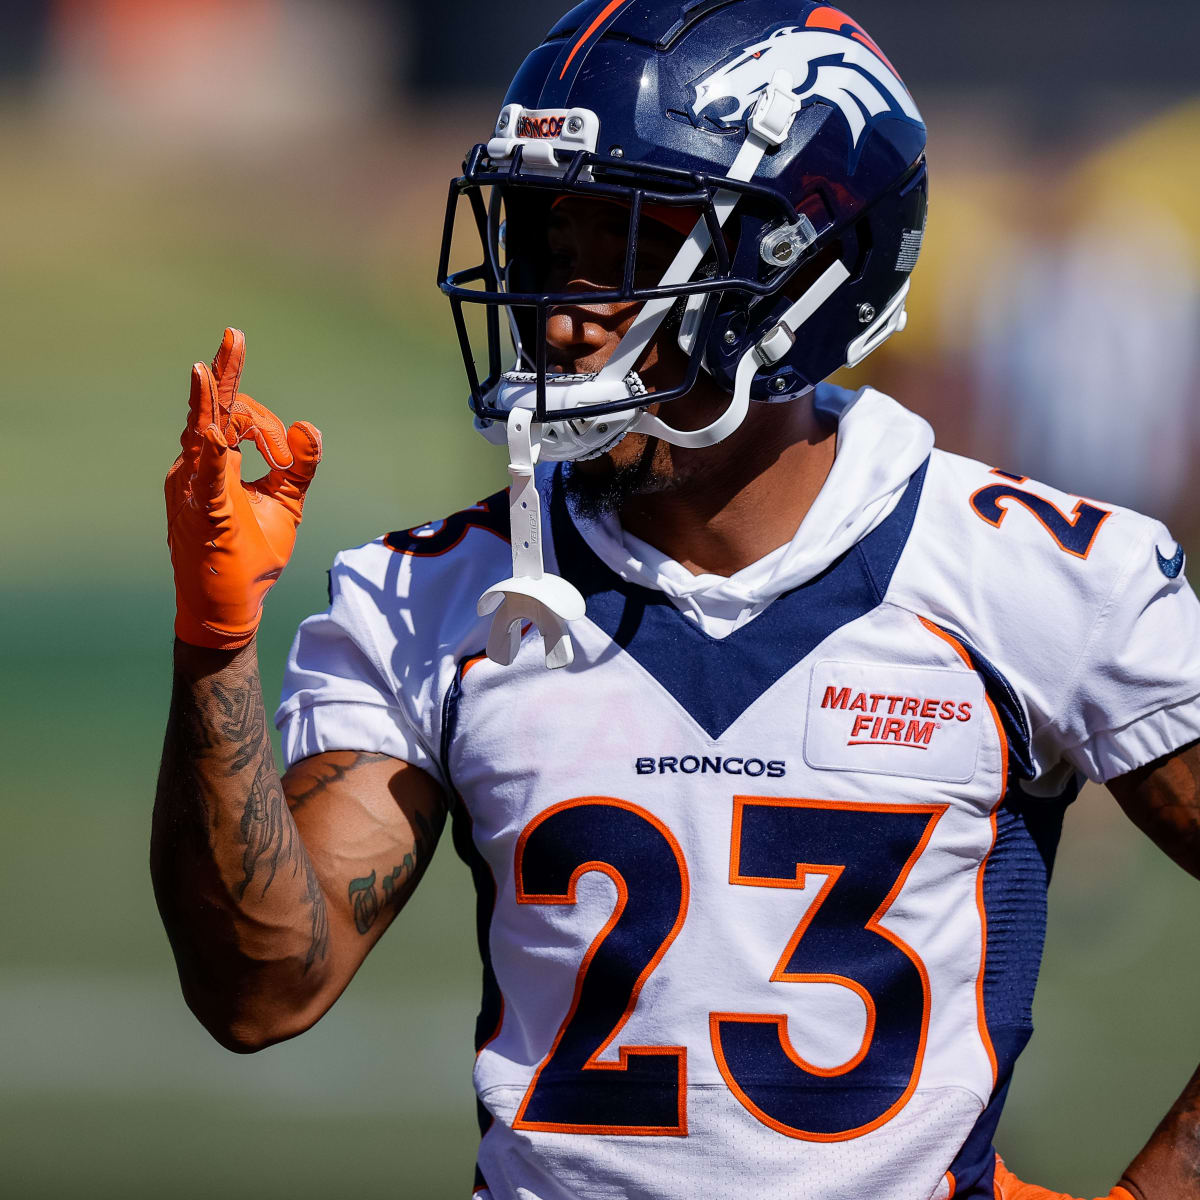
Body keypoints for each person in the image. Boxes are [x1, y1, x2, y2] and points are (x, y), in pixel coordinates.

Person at [152, 3, 1200, 1197]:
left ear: (804, 273)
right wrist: (214, 644)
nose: (556, 313)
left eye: (629, 252)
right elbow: (260, 989)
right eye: (550, 246)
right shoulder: (431, 595)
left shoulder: (1034, 576)